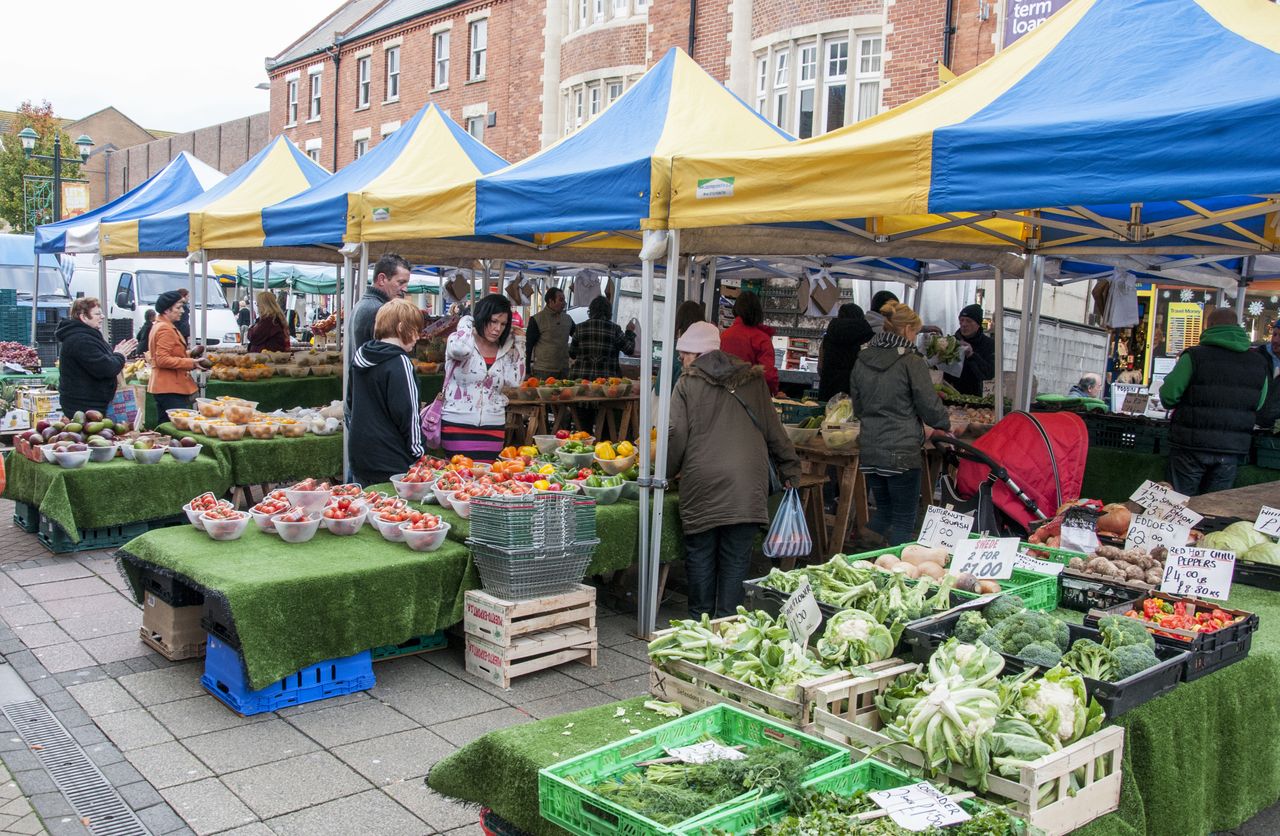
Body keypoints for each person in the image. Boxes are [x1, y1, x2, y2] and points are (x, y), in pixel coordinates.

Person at [667, 322, 801, 618]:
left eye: (684, 356)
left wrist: (664, 473)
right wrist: (790, 468)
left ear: (697, 354)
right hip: (746, 486)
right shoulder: (753, 380)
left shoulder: (687, 383)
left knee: (700, 553)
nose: (682, 362)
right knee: (736, 559)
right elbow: (773, 429)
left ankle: (699, 622)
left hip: (703, 482)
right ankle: (727, 623)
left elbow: (675, 434)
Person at [851, 301, 951, 547]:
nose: (915, 337)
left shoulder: (862, 358)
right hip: (901, 449)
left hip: (871, 448)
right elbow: (928, 404)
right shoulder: (911, 361)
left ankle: (865, 552)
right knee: (905, 518)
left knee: (884, 511)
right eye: (915, 332)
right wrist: (944, 422)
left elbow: (859, 406)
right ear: (906, 329)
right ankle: (895, 569)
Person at [1160, 308, 1272, 495]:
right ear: (1237, 327)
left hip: (1190, 448)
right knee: (1213, 511)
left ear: (1209, 326)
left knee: (1177, 509)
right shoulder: (1259, 362)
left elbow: (1169, 396)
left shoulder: (1194, 357)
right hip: (1231, 450)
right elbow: (1259, 404)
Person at [349, 299, 426, 485]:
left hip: (360, 456)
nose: (417, 337)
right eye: (415, 330)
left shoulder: (360, 357)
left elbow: (350, 402)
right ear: (401, 328)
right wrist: (419, 452)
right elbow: (408, 414)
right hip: (392, 459)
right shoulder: (400, 362)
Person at [442, 294, 524, 462]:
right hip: (457, 423)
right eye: (493, 321)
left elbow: (516, 381)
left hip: (493, 424)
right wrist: (466, 321)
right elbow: (459, 352)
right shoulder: (460, 341)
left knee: (487, 480)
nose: (497, 329)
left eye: (503, 324)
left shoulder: (505, 348)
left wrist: (520, 342)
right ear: (481, 318)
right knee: (459, 478)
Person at [56, 297, 136, 417]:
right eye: (97, 314)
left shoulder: (87, 336)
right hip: (84, 407)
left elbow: (100, 361)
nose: (102, 317)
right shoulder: (81, 340)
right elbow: (106, 368)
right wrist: (120, 355)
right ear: (83, 317)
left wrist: (115, 354)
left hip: (90, 404)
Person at [149, 290, 210, 421]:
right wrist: (192, 363)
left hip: (164, 386)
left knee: (166, 425)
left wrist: (189, 354)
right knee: (178, 426)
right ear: (167, 310)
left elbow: (169, 353)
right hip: (170, 387)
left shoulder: (161, 325)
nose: (182, 311)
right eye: (178, 307)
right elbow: (162, 359)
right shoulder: (165, 328)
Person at [720, 290, 780, 396]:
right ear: (758, 312)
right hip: (751, 398)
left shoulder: (723, 336)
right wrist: (774, 392)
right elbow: (768, 376)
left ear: (735, 310)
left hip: (723, 396)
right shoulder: (762, 339)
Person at [351, 253, 411, 349]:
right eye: (401, 282)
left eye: (406, 284)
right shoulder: (379, 310)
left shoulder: (361, 303)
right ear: (382, 279)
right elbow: (387, 355)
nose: (405, 289)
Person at [570, 295, 636, 379]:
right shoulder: (614, 329)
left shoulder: (579, 328)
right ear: (608, 311)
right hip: (607, 382)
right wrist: (629, 332)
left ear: (591, 310)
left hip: (581, 380)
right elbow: (629, 350)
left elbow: (572, 354)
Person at [817, 303, 874, 402]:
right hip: (855, 395)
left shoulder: (829, 336)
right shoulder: (867, 336)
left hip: (828, 393)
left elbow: (820, 368)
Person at [944, 303, 996, 397]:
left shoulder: (989, 344)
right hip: (950, 396)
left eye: (968, 321)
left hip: (976, 399)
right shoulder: (951, 341)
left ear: (978, 324)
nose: (964, 324)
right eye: (961, 320)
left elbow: (989, 374)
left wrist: (972, 355)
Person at [526, 287, 574, 379]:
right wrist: (527, 370)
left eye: (564, 300)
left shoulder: (568, 319)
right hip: (543, 371)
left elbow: (577, 336)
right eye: (561, 300)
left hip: (563, 370)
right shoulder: (537, 319)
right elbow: (528, 347)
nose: (564, 303)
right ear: (550, 301)